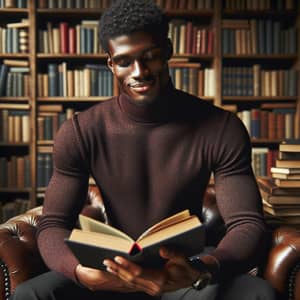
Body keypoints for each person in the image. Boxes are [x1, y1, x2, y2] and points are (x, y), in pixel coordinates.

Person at [10, 1, 277, 299]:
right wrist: (79, 272)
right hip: (109, 272)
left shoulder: (222, 128)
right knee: (30, 294)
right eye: (124, 61)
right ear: (111, 63)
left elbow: (247, 223)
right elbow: (53, 225)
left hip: (182, 272)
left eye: (150, 57)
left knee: (257, 293)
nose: (139, 71)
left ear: (168, 50)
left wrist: (203, 267)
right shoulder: (80, 131)